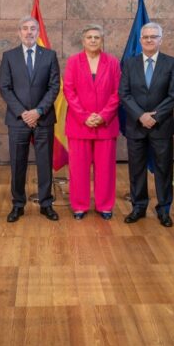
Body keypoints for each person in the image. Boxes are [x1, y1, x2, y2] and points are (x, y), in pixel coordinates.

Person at [0, 16, 61, 223]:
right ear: (19, 32)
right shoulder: (9, 56)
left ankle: (46, 204)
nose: (29, 32)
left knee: (45, 163)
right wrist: (24, 113)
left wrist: (39, 111)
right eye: (25, 29)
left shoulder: (50, 55)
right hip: (18, 120)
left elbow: (54, 87)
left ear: (38, 32)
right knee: (18, 164)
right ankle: (18, 205)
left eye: (33, 29)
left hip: (43, 119)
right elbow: (5, 88)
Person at [119, 22, 174, 227]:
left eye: (153, 37)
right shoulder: (129, 63)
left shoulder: (171, 63)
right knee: (136, 169)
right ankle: (139, 207)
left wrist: (154, 116)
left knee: (164, 169)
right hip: (136, 126)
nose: (149, 40)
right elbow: (124, 93)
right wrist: (140, 116)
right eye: (145, 37)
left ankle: (164, 209)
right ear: (140, 40)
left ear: (160, 40)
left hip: (161, 126)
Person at [62, 24, 121, 220]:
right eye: (89, 37)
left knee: (105, 169)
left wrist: (103, 116)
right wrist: (85, 116)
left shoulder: (112, 62)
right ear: (83, 40)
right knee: (78, 168)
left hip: (106, 125)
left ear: (102, 40)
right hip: (79, 124)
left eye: (97, 37)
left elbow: (117, 92)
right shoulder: (73, 61)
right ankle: (79, 205)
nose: (93, 40)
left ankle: (105, 205)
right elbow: (69, 91)